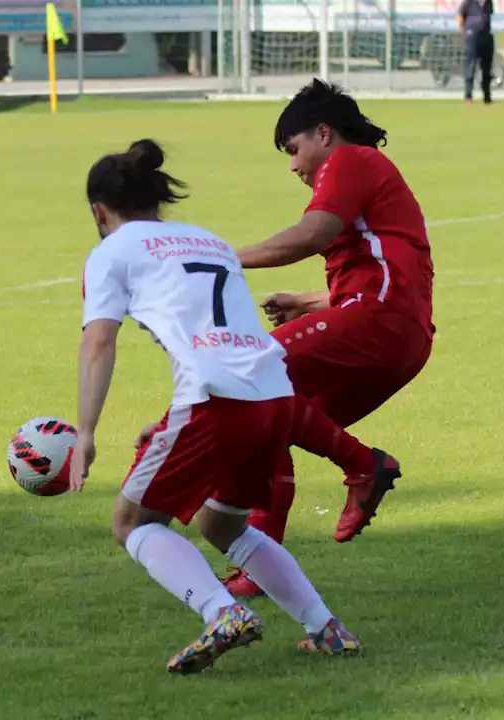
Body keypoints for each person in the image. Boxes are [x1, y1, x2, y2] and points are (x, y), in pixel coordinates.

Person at [70, 139, 363, 674]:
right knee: (221, 525)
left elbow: (98, 341)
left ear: (98, 211)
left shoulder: (111, 252)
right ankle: (327, 629)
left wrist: (86, 431)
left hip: (216, 401)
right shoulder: (208, 240)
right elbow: (216, 337)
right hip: (273, 393)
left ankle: (221, 611)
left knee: (133, 523)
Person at [222, 80, 433, 599]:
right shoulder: (364, 174)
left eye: (294, 150)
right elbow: (383, 272)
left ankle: (364, 464)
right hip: (394, 333)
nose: (293, 166)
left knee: (247, 372)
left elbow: (311, 235)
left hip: (378, 322)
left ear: (323, 133)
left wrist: (222, 256)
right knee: (264, 417)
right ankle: (261, 567)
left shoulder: (349, 160)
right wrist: (308, 300)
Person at [456, 0, 495, 104]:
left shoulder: (489, 3)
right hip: (472, 37)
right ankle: (468, 96)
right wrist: (466, 32)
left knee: (487, 68)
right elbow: (460, 17)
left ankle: (487, 97)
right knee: (470, 66)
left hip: (486, 36)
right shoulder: (469, 2)